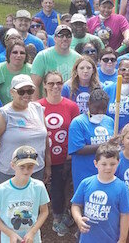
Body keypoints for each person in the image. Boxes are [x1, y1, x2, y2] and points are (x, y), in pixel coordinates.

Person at [0, 74, 50, 187]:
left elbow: (45, 139)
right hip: (10, 173)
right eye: (21, 91)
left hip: (36, 170)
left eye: (30, 91)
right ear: (12, 92)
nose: (26, 95)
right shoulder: (4, 114)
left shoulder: (38, 109)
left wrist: (48, 164)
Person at [36, 70, 80, 236]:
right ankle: (55, 219)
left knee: (63, 187)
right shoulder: (38, 106)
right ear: (45, 85)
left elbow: (76, 131)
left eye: (59, 83)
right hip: (45, 157)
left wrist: (72, 152)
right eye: (51, 83)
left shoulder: (71, 106)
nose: (55, 86)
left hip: (65, 156)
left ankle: (63, 215)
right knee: (52, 188)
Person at [0, 145, 50, 243]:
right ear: (13, 165)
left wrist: (32, 232)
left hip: (32, 238)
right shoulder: (2, 189)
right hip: (9, 239)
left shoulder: (39, 186)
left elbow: (44, 211)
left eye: (30, 167)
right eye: (22, 167)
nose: (26, 171)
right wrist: (10, 233)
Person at [71, 143, 129, 243]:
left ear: (118, 162)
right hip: (87, 239)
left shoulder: (122, 187)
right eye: (104, 164)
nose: (108, 168)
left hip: (110, 238)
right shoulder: (86, 183)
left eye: (112, 164)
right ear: (96, 163)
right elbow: (75, 205)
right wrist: (78, 219)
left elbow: (125, 215)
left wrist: (123, 238)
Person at [68, 89, 115, 189]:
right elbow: (79, 149)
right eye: (97, 108)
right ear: (89, 105)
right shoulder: (78, 122)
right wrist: (106, 145)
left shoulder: (109, 121)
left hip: (106, 175)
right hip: (85, 175)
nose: (100, 112)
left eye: (103, 108)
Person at [30, 24, 80, 96]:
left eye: (68, 36)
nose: (65, 39)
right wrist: (36, 106)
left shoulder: (78, 58)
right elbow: (34, 85)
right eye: (61, 35)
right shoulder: (42, 56)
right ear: (55, 38)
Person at [0, 40, 31, 104]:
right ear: (8, 54)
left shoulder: (31, 70)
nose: (18, 55)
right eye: (15, 52)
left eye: (22, 53)